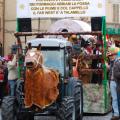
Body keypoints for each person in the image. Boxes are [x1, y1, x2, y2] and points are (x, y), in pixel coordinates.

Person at [106, 47, 120, 120]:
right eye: (109, 56)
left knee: (117, 98)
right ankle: (116, 114)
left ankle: (117, 113)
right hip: (112, 81)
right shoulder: (112, 62)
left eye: (111, 55)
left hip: (117, 82)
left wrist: (116, 74)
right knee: (114, 98)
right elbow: (110, 71)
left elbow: (116, 73)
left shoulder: (118, 61)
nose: (110, 57)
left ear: (115, 55)